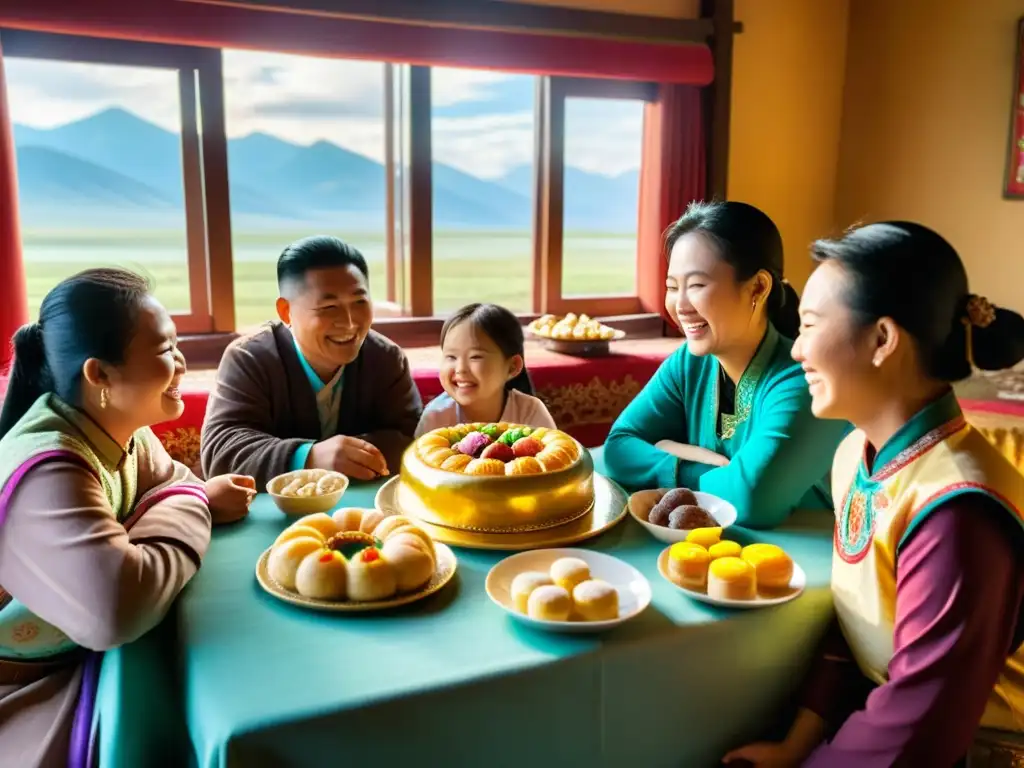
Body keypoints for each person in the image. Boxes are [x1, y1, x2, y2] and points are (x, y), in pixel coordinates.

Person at [724, 222, 1024, 767]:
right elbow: (859, 621)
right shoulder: (855, 453)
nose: (796, 350)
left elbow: (921, 730)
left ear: (883, 339)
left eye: (810, 325)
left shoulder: (957, 510)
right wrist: (800, 741)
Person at [0, 269, 252, 767]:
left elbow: (174, 481)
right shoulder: (49, 471)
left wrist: (168, 505)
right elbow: (115, 609)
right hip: (30, 688)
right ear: (100, 375)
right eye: (164, 351)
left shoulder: (119, 429)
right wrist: (197, 502)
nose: (180, 363)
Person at [604, 201, 848, 528]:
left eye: (697, 286)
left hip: (801, 559)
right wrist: (695, 465)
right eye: (672, 287)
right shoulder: (689, 363)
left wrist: (666, 451)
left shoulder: (802, 381)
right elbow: (618, 448)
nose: (680, 305)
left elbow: (751, 500)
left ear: (758, 288)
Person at [201, 236, 423, 489]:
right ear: (286, 312)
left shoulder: (384, 357)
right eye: (329, 307)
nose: (350, 323)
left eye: (359, 302)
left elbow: (413, 440)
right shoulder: (250, 359)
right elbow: (221, 453)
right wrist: (309, 457)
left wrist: (346, 455)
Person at [416, 303, 556, 436]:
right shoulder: (435, 418)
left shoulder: (530, 412)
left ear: (512, 366)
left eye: (475, 357)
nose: (460, 369)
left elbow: (556, 458)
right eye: (451, 357)